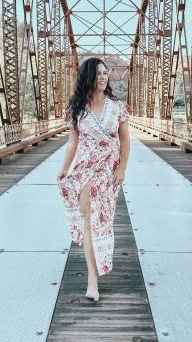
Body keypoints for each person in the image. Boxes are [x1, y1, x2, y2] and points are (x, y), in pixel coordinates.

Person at [56, 57, 131, 302]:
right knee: (89, 219)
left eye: (105, 73)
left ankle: (102, 258)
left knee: (103, 218)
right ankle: (92, 278)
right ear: (88, 77)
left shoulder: (118, 106)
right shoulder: (77, 108)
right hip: (85, 167)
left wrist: (122, 170)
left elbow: (125, 140)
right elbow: (72, 141)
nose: (103, 77)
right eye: (98, 73)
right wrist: (64, 168)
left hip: (109, 168)